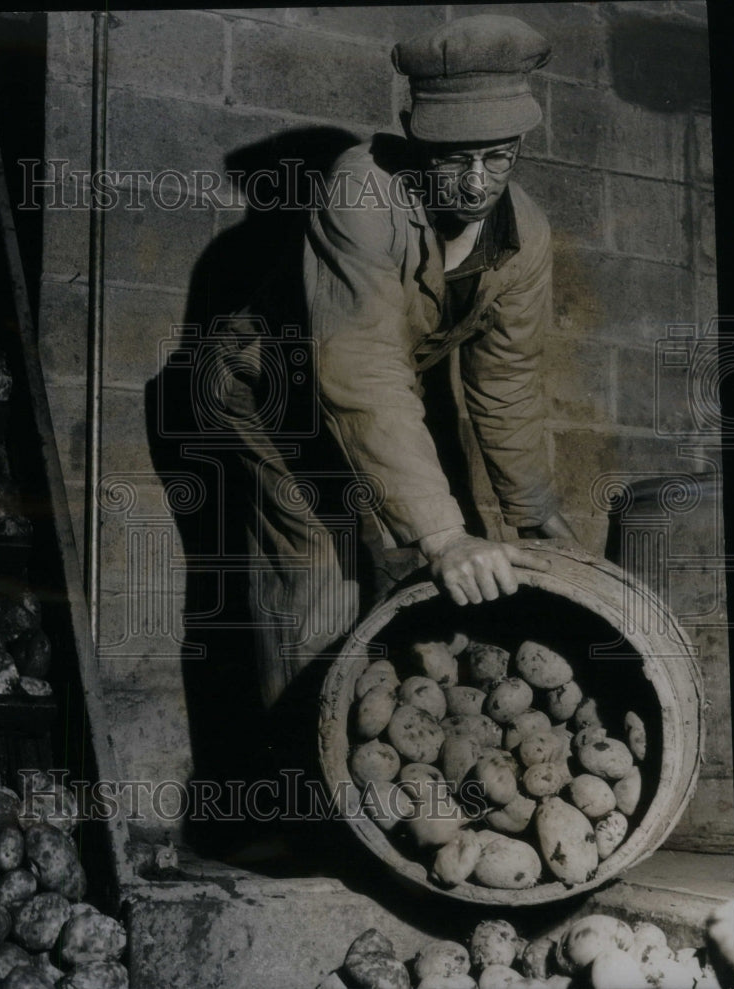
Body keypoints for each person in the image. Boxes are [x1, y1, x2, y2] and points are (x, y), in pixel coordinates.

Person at [219, 14, 576, 709]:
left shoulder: (524, 234)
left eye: (498, 156)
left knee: (418, 563)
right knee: (326, 571)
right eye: (455, 158)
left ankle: (376, 783)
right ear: (416, 137)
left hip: (367, 399)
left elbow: (504, 380)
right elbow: (364, 371)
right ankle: (297, 790)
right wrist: (442, 535)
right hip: (272, 394)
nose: (477, 183)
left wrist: (534, 513)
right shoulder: (360, 193)